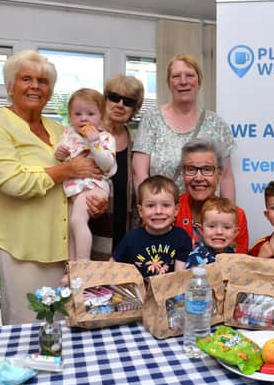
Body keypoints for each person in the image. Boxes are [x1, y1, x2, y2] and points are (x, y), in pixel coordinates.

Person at [0, 50, 104, 324]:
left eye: (43, 81)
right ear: (10, 86)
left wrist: (95, 201)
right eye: (26, 79)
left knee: (65, 327)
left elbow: (88, 173)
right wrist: (67, 169)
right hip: (22, 246)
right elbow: (13, 181)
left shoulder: (60, 131)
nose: (35, 86)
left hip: (64, 248)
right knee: (27, 329)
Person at [132, 54, 236, 199]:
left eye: (190, 75)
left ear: (199, 81)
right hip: (162, 215)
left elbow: (225, 177)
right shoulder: (151, 119)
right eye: (176, 76)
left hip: (206, 216)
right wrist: (151, 208)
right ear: (169, 83)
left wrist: (227, 215)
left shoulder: (217, 124)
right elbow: (139, 173)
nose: (183, 81)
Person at [54, 88, 116, 264]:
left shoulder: (105, 138)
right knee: (71, 227)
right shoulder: (69, 135)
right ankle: (72, 267)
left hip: (94, 186)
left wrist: (95, 143)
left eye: (90, 114)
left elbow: (106, 164)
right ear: (70, 116)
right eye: (77, 114)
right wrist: (59, 152)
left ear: (101, 117)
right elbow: (63, 158)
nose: (83, 118)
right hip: (75, 188)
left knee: (77, 219)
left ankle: (83, 263)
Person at [88, 75, 144, 257]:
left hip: (126, 229)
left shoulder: (136, 140)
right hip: (92, 226)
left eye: (128, 101)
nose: (120, 104)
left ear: (134, 109)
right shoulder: (88, 134)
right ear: (104, 100)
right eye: (114, 97)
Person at [175, 138, 249, 252]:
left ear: (219, 175)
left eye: (207, 169)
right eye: (191, 169)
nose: (198, 178)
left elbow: (239, 263)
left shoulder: (237, 215)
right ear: (183, 174)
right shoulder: (167, 212)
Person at [111, 175, 189, 277]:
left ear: (176, 210)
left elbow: (180, 277)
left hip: (170, 290)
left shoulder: (181, 237)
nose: (158, 211)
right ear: (140, 211)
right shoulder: (131, 239)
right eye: (151, 206)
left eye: (165, 205)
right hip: (137, 291)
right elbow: (111, 267)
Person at [185, 197, 238, 268]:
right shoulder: (197, 256)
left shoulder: (231, 252)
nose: (219, 232)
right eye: (212, 226)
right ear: (201, 230)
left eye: (226, 227)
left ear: (235, 233)